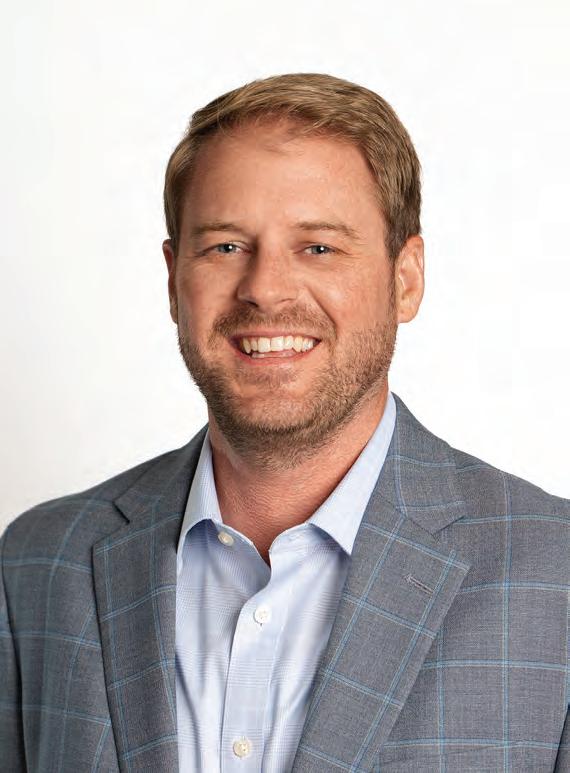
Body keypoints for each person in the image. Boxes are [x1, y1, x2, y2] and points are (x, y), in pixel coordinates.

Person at [1, 73, 568, 773]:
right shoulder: (36, 567)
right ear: (174, 280)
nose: (265, 289)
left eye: (319, 247)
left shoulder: (556, 576)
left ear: (406, 278)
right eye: (226, 247)